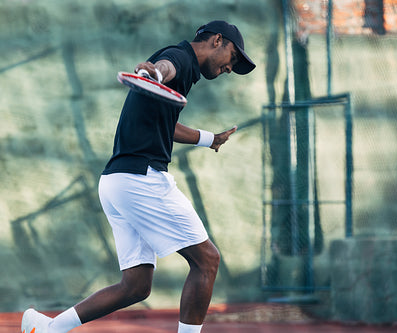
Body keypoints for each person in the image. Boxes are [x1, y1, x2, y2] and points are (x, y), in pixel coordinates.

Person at [21, 20, 255, 333]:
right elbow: (165, 67)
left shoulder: (183, 66)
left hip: (115, 182)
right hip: (141, 180)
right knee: (207, 261)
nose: (230, 67)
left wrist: (208, 138)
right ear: (216, 40)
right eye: (233, 57)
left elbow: (165, 126)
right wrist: (155, 73)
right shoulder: (182, 59)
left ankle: (47, 329)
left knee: (136, 285)